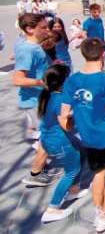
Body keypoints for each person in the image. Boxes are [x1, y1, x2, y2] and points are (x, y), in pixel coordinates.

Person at [59, 37, 105, 232]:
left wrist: (81, 116)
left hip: (88, 137)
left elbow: (65, 113)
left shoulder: (72, 80)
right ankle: (104, 216)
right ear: (104, 53)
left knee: (99, 173)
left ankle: (98, 210)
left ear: (82, 53)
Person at [37, 64, 90, 223]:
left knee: (81, 152)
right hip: (60, 141)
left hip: (48, 138)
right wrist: (78, 113)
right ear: (62, 81)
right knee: (70, 172)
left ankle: (74, 189)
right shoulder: (60, 100)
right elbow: (67, 125)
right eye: (68, 76)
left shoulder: (48, 94)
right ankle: (52, 208)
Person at [15, 14, 54, 187]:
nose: (47, 30)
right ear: (30, 29)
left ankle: (42, 165)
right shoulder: (27, 49)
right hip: (35, 100)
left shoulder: (31, 46)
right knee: (48, 135)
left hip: (41, 98)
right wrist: (44, 82)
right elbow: (18, 80)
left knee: (47, 134)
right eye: (43, 28)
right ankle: (35, 173)